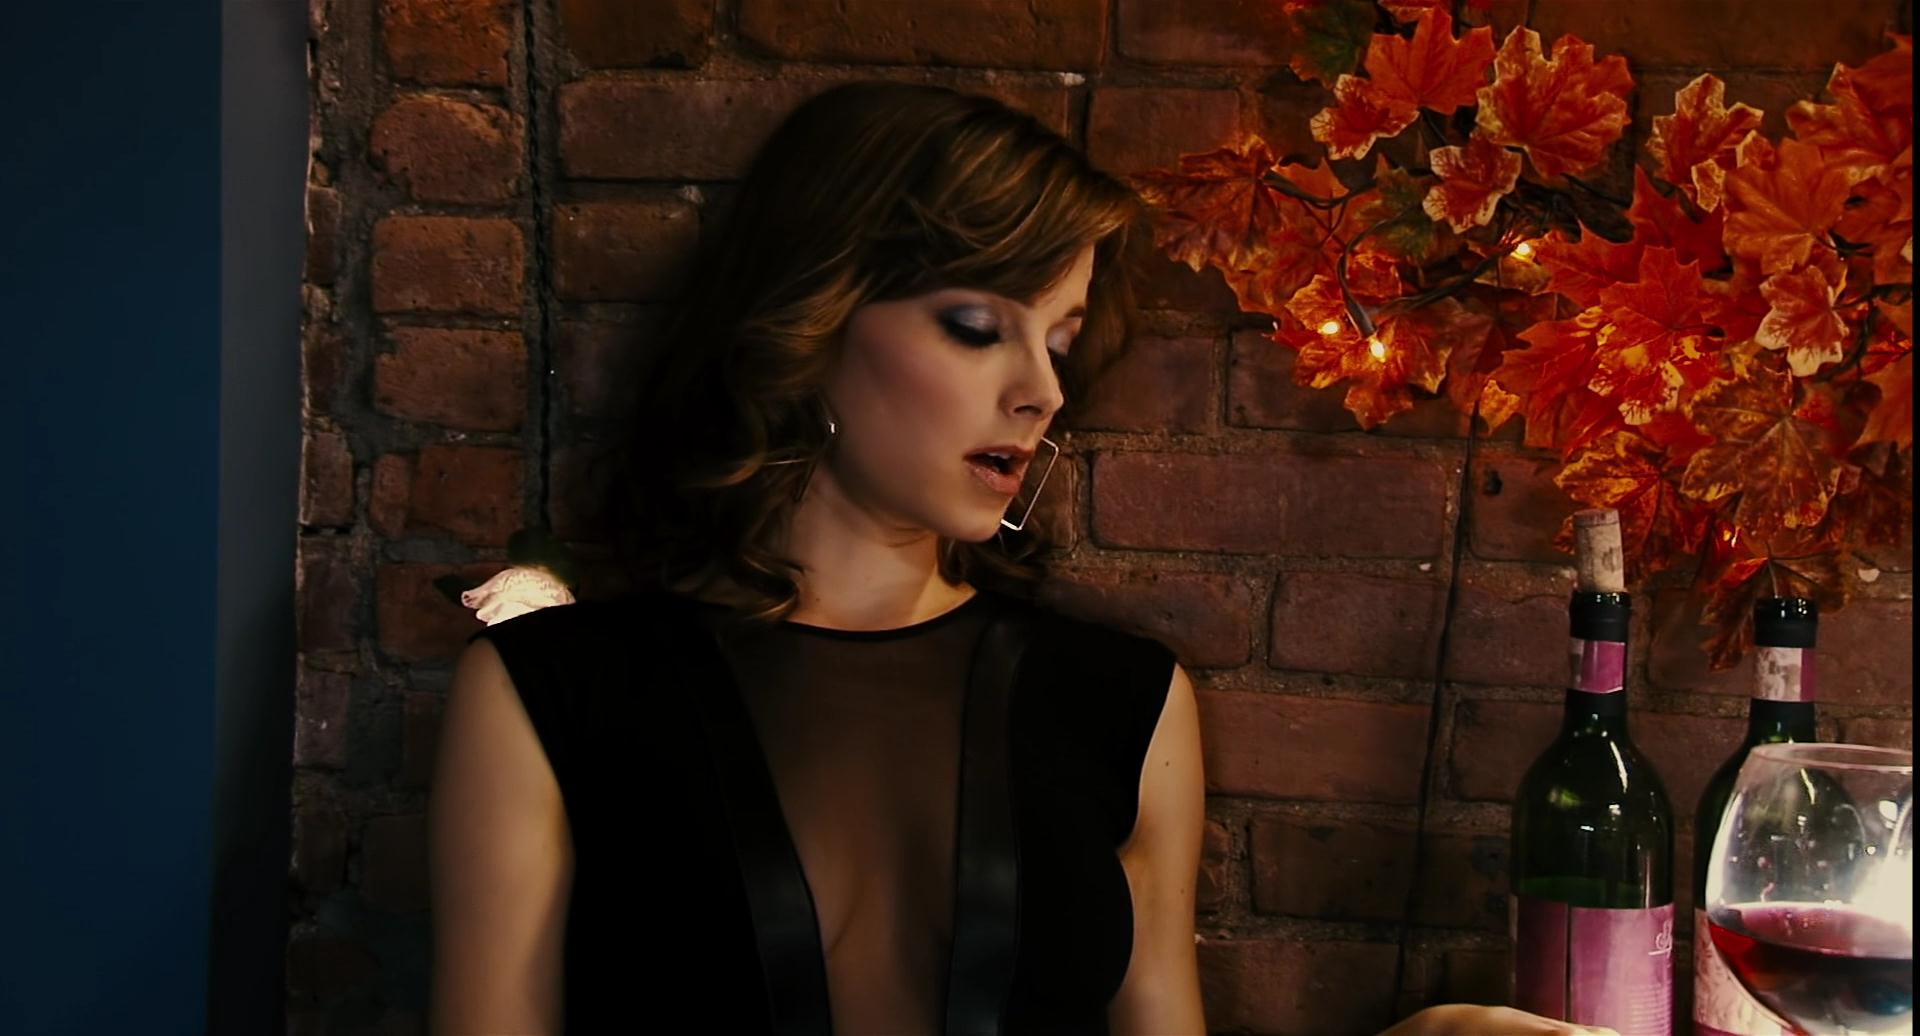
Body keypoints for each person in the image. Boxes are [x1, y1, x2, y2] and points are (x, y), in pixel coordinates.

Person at [425, 80, 1620, 1036]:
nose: (1041, 389)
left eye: (1059, 340)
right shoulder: (550, 695)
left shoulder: (1123, 705)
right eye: (976, 326)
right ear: (814, 320)